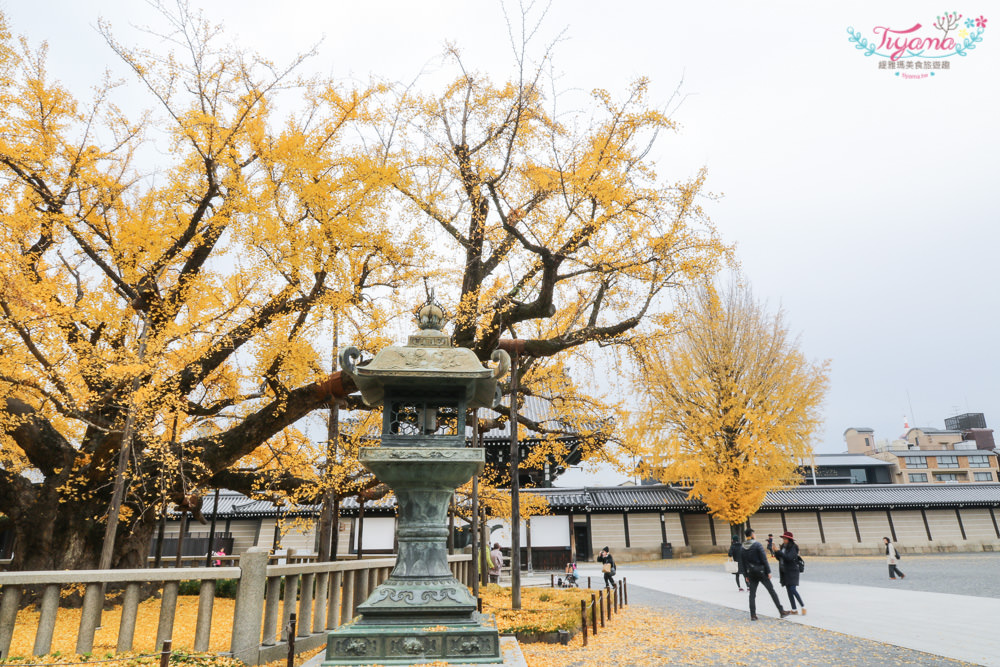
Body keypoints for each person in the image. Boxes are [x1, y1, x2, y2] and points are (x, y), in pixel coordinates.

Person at [741, 527, 790, 621]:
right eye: (754, 534)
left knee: (752, 594)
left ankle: (753, 615)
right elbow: (764, 559)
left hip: (751, 573)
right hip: (761, 572)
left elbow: (742, 562)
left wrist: (746, 576)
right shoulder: (757, 545)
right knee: (771, 591)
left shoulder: (743, 547)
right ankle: (781, 611)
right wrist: (768, 571)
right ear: (752, 535)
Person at [773, 531, 805, 615]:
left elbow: (789, 558)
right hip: (784, 571)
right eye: (783, 538)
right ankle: (794, 609)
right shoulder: (783, 547)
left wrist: (778, 552)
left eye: (785, 538)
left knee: (792, 589)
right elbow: (780, 558)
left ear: (789, 539)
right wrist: (776, 552)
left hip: (793, 570)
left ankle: (803, 606)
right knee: (788, 591)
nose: (784, 539)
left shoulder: (793, 547)